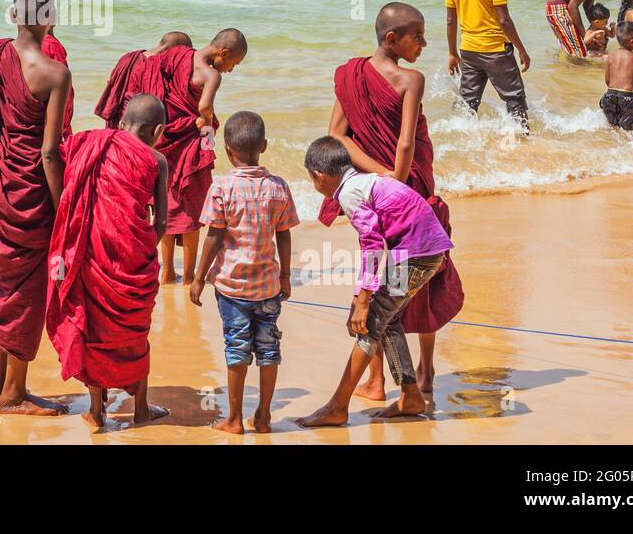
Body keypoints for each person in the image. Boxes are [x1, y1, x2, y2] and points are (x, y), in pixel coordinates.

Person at [322, 2, 463, 399]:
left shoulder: (351, 75)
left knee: (382, 276)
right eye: (417, 35)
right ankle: (425, 371)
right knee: (423, 278)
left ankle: (378, 380)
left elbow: (337, 136)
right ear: (392, 39)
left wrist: (378, 175)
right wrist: (395, 178)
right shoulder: (411, 79)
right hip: (411, 192)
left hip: (374, 195)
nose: (424, 42)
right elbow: (404, 142)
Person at [0, 0, 71, 415]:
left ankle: (0, 380)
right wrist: (63, 204)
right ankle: (12, 395)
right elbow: (49, 151)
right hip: (26, 195)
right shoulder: (54, 73)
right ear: (49, 17)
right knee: (26, 292)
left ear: (13, 14)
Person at [296, 137, 453, 427]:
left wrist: (364, 301)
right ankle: (410, 395)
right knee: (388, 319)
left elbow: (371, 244)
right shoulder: (364, 182)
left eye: (313, 181)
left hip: (416, 254)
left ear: (319, 177)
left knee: (370, 324)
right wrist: (360, 296)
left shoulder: (349, 193)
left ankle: (337, 406)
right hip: (419, 251)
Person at [45, 94, 171, 429]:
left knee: (95, 332)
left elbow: (53, 158)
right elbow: (160, 223)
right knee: (135, 334)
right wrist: (139, 250)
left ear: (120, 122)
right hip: (134, 263)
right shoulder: (157, 160)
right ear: (158, 130)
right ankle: (141, 408)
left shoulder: (88, 143)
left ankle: (97, 411)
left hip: (90, 255)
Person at [189, 111, 299, 435]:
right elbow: (285, 233)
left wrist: (197, 277)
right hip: (268, 287)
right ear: (263, 146)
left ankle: (234, 419)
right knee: (268, 349)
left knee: (236, 347)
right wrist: (286, 276)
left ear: (226, 149)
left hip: (232, 289)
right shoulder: (278, 187)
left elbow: (213, 235)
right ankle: (263, 417)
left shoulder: (222, 188)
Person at [126, 30, 248, 285]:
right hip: (189, 143)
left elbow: (150, 77)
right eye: (232, 64)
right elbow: (204, 107)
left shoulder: (178, 55)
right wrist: (206, 120)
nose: (230, 70)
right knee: (192, 210)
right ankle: (190, 274)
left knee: (167, 203)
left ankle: (167, 271)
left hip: (163, 140)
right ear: (223, 53)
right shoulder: (211, 74)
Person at [444, 0, 531, 130]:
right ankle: (523, 139)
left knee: (468, 102)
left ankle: (462, 140)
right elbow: (504, 21)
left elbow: (450, 21)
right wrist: (521, 49)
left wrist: (452, 53)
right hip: (495, 51)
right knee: (514, 99)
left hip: (468, 50)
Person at [93, 31, 193, 129]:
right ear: (177, 51)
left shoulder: (128, 57)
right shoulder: (161, 66)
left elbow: (111, 85)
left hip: (118, 119)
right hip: (139, 124)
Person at [601, 22, 633, 132]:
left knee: (613, 129)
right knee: (629, 132)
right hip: (627, 96)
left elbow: (607, 80)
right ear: (632, 41)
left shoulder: (609, 57)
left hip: (609, 96)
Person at [41, 25, 75, 140]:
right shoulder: (51, 45)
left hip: (39, 115)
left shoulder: (31, 43)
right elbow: (64, 87)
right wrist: (64, 125)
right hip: (55, 118)